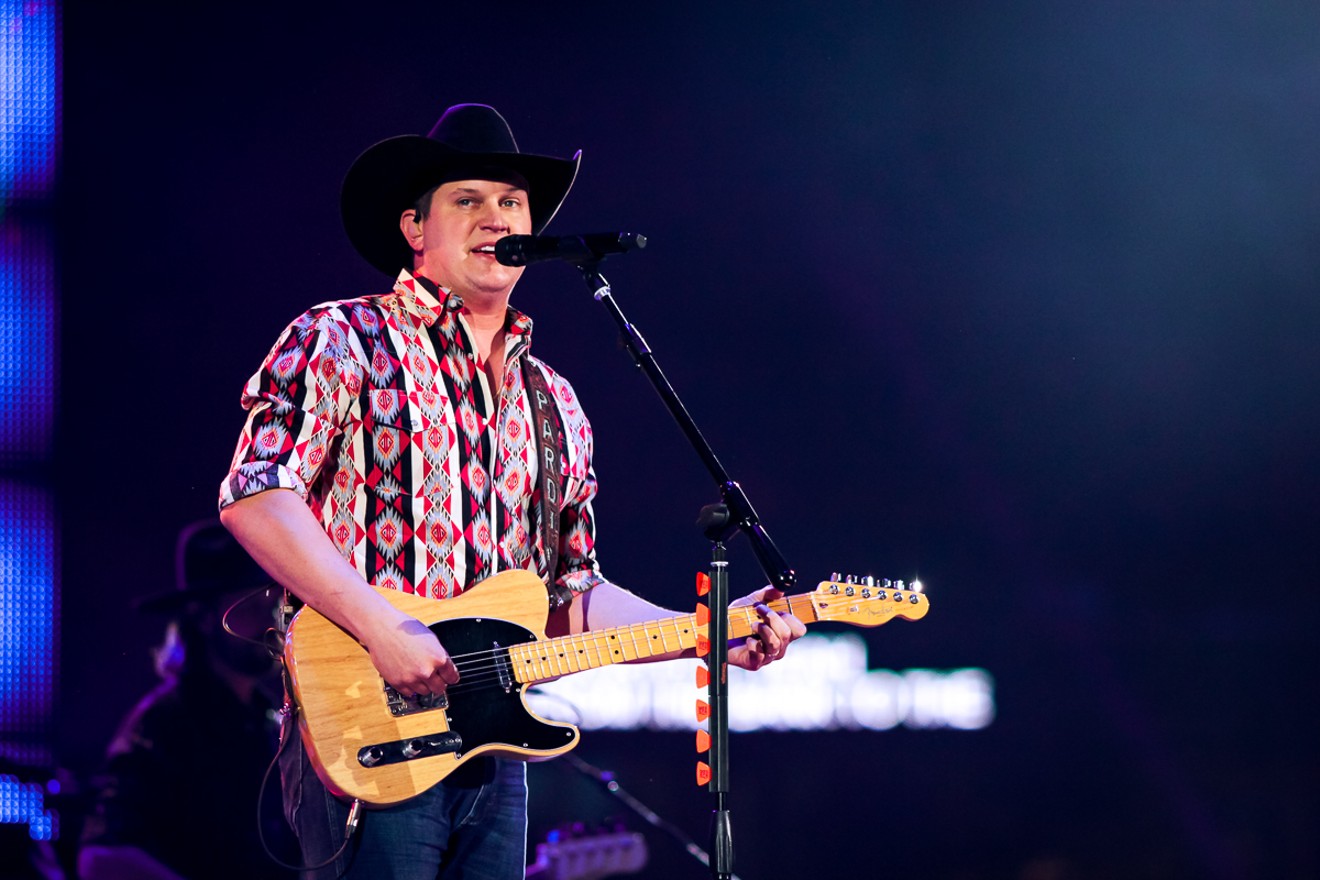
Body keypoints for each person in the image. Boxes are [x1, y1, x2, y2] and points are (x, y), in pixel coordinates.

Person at [218, 103, 805, 879]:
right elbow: (256, 493)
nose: (496, 217)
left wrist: (706, 631)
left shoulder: (554, 400)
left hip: (494, 748)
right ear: (414, 229)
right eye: (467, 200)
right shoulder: (341, 339)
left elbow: (570, 592)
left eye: (512, 203)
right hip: (367, 724)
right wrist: (383, 625)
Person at [78, 520, 298, 880]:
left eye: (271, 599)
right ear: (204, 617)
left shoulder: (269, 718)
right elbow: (101, 855)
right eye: (249, 602)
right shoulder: (164, 724)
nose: (269, 615)